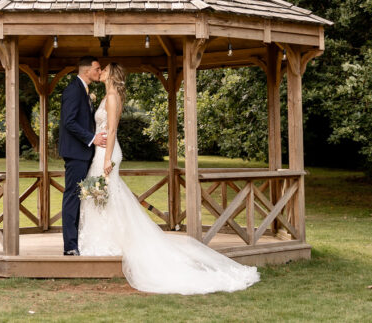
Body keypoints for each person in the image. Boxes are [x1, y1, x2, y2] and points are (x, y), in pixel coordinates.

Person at [78, 62, 260, 294]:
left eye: (104, 69)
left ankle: (109, 241)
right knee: (105, 196)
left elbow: (112, 130)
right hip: (102, 150)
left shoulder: (112, 98)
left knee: (106, 194)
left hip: (108, 152)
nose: (100, 71)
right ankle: (105, 239)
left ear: (111, 74)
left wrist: (106, 160)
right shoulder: (108, 96)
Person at [58, 55, 107, 256]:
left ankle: (79, 240)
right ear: (87, 70)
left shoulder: (86, 91)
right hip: (76, 153)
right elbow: (69, 121)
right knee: (72, 197)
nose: (99, 71)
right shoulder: (73, 90)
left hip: (86, 153)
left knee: (82, 197)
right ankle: (70, 246)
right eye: (97, 68)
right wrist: (91, 138)